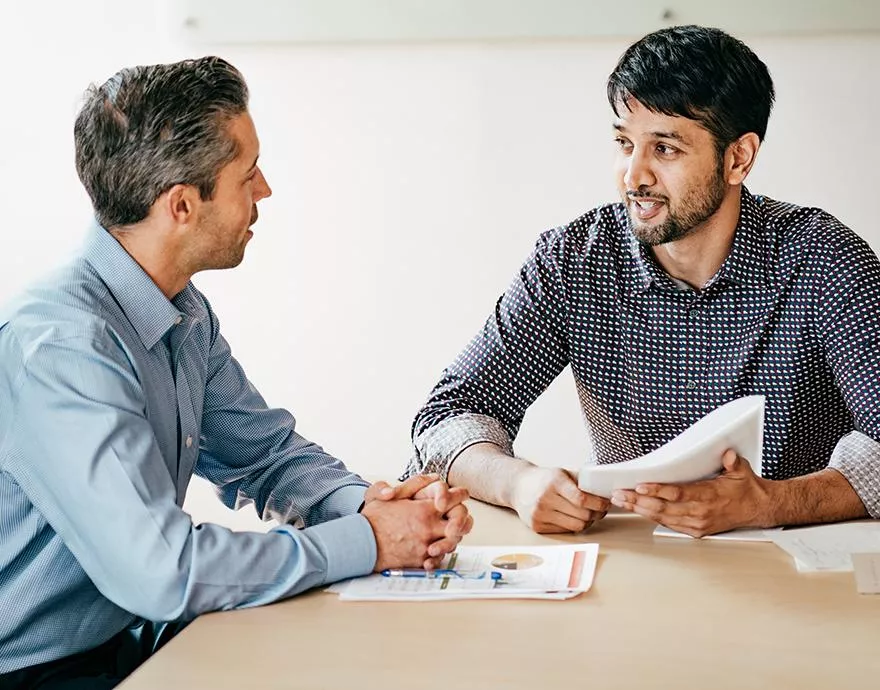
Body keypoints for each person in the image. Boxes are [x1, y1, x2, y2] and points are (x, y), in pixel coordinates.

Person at [0, 56, 471, 689]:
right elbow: (164, 571)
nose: (265, 190)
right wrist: (370, 542)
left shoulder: (179, 310)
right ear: (183, 205)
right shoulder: (62, 347)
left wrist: (377, 508)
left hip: (120, 640)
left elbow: (265, 457)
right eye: (247, 175)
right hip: (35, 670)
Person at [406, 24, 880, 538]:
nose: (634, 175)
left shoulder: (825, 258)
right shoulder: (574, 260)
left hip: (797, 566)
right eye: (624, 143)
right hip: (634, 563)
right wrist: (516, 483)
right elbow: (448, 414)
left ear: (738, 157)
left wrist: (771, 503)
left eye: (666, 149)